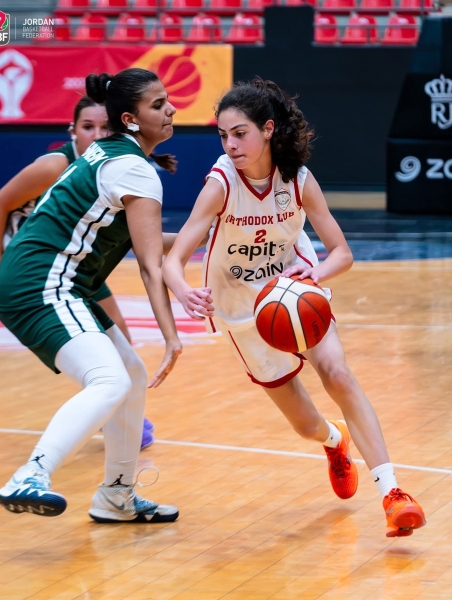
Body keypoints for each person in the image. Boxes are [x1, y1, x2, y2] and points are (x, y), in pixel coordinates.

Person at [162, 78, 427, 538]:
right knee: (304, 425)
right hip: (244, 311)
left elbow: (342, 253)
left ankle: (393, 494)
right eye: (223, 135)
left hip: (295, 292)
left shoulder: (299, 179)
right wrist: (184, 291)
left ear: (267, 129)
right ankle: (334, 440)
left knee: (338, 374)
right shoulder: (221, 183)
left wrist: (314, 275)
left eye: (239, 133)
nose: (230, 145)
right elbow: (173, 259)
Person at [0, 68, 182, 523]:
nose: (171, 109)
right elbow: (150, 264)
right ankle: (31, 474)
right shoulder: (133, 168)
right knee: (109, 380)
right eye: (158, 104)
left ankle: (117, 496)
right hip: (41, 283)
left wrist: (214, 234)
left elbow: (148, 242)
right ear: (130, 119)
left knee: (130, 375)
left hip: (49, 280)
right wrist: (171, 337)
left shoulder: (112, 153)